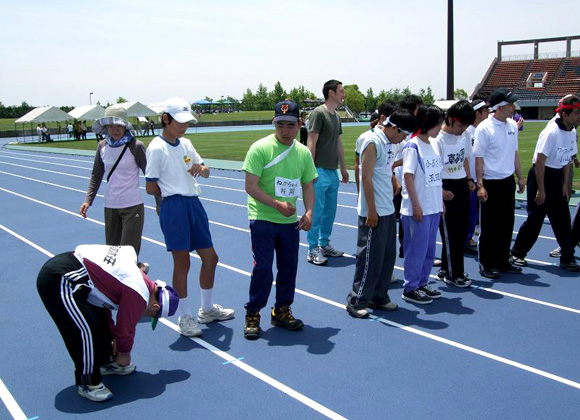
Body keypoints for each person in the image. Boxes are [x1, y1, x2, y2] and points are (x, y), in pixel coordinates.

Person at [37, 244, 179, 402]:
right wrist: (124, 354)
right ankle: (88, 382)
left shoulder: (137, 278)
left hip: (78, 278)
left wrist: (111, 339)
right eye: (152, 315)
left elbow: (103, 307)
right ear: (155, 306)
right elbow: (125, 330)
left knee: (99, 323)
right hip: (60, 278)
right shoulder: (140, 294)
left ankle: (106, 362)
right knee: (85, 331)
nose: (146, 316)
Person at [145, 97, 234, 338]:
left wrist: (202, 170)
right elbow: (151, 186)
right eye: (180, 122)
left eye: (187, 122)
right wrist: (164, 200)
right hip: (173, 206)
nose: (184, 127)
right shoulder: (156, 147)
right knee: (182, 263)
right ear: (166, 119)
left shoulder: (186, 143)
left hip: (194, 204)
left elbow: (205, 170)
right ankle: (184, 316)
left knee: (211, 257)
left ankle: (206, 309)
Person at [241, 100, 317, 340]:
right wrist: (276, 205)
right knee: (263, 269)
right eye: (280, 124)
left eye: (291, 125)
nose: (285, 130)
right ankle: (253, 312)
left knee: (288, 268)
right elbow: (250, 187)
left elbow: (308, 185)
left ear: (299, 125)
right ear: (274, 123)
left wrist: (309, 212)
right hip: (262, 217)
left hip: (289, 222)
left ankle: (282, 310)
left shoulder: (303, 153)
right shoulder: (260, 148)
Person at [346, 108, 417, 317]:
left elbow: (384, 170)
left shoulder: (389, 143)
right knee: (369, 257)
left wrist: (394, 181)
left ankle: (379, 296)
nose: (403, 139)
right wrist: (372, 210)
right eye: (403, 134)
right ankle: (356, 300)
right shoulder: (373, 142)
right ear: (394, 128)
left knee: (387, 256)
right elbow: (365, 177)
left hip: (387, 208)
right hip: (373, 211)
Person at [510, 95, 580, 271]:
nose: (579, 116)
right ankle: (517, 253)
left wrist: (565, 184)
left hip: (557, 177)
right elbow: (540, 162)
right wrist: (541, 190)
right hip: (542, 176)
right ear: (565, 114)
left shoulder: (572, 132)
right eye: (577, 113)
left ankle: (567, 256)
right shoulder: (550, 133)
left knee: (563, 219)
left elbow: (567, 161)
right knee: (536, 218)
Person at [80, 105, 148, 257]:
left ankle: (136, 273)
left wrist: (159, 202)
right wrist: (88, 200)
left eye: (119, 125)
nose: (115, 129)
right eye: (111, 125)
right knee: (112, 255)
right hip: (111, 205)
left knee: (128, 254)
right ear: (105, 127)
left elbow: (150, 174)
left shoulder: (136, 146)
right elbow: (96, 175)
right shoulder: (102, 146)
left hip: (132, 206)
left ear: (125, 125)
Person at [473, 88, 525, 279]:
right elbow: (478, 158)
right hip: (490, 181)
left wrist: (520, 177)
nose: (513, 107)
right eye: (510, 104)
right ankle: (486, 263)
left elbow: (515, 153)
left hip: (507, 181)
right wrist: (480, 185)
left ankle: (503, 260)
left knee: (506, 223)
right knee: (489, 226)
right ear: (500, 107)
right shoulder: (484, 128)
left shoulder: (512, 125)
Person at [400, 105, 445, 304]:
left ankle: (422, 282)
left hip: (434, 207)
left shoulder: (435, 144)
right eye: (438, 123)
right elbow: (408, 176)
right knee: (415, 251)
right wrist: (416, 205)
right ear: (428, 123)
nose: (440, 127)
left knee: (428, 250)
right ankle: (410, 287)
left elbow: (437, 177)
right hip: (417, 209)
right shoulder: (413, 146)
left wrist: (441, 201)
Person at [433, 100, 476, 287]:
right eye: (460, 124)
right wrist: (440, 190)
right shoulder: (438, 139)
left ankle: (446, 268)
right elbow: (433, 168)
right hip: (444, 184)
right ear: (450, 119)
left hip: (461, 183)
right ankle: (454, 273)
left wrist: (468, 179)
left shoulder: (464, 134)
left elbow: (465, 158)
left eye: (466, 125)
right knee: (450, 232)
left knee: (461, 230)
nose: (462, 129)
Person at [306, 79, 349, 265]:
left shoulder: (337, 116)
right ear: (331, 93)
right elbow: (311, 142)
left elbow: (338, 143)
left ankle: (324, 244)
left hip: (332, 172)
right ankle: (312, 248)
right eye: (341, 91)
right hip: (319, 170)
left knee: (330, 211)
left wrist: (344, 167)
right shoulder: (318, 113)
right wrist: (310, 170)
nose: (343, 94)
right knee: (316, 211)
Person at [394, 94, 424, 259]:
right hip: (399, 179)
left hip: (406, 177)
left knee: (403, 215)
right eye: (420, 108)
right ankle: (405, 248)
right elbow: (393, 159)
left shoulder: (412, 128)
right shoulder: (399, 130)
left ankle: (406, 248)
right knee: (403, 214)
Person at [463, 98, 490, 255]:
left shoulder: (484, 130)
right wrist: (468, 178)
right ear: (478, 113)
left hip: (480, 177)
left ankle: (469, 237)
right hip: (469, 178)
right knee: (469, 211)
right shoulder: (467, 131)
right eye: (485, 110)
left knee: (475, 212)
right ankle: (466, 239)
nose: (488, 113)